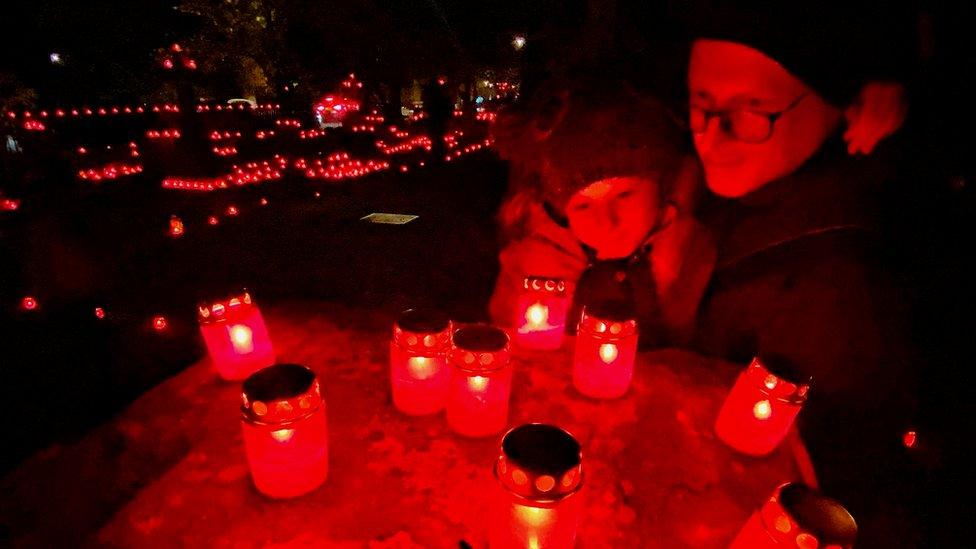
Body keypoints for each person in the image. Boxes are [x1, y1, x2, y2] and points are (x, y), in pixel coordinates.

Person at [684, 3, 921, 545]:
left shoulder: (838, 293)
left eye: (749, 113)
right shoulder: (716, 201)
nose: (711, 141)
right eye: (701, 107)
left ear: (838, 113)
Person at [489, 78, 715, 349]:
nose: (606, 221)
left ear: (662, 187)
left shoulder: (690, 248)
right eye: (582, 206)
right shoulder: (534, 264)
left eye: (624, 195)